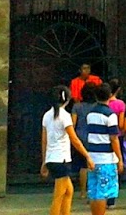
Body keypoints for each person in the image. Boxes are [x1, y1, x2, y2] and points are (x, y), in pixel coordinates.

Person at [40, 85, 92, 215]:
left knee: (68, 191)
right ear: (67, 99)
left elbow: (44, 141)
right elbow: (74, 139)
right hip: (61, 159)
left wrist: (44, 161)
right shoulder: (65, 116)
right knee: (58, 196)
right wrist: (87, 156)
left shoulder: (47, 115)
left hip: (52, 158)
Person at [75, 81, 123, 215]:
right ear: (110, 95)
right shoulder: (110, 115)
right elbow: (114, 139)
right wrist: (120, 159)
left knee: (94, 191)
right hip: (106, 158)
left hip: (92, 157)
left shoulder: (91, 114)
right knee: (103, 192)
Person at [105, 79, 126, 209]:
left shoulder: (104, 104)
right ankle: (111, 197)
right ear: (118, 90)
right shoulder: (120, 104)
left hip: (103, 138)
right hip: (117, 136)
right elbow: (121, 124)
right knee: (114, 164)